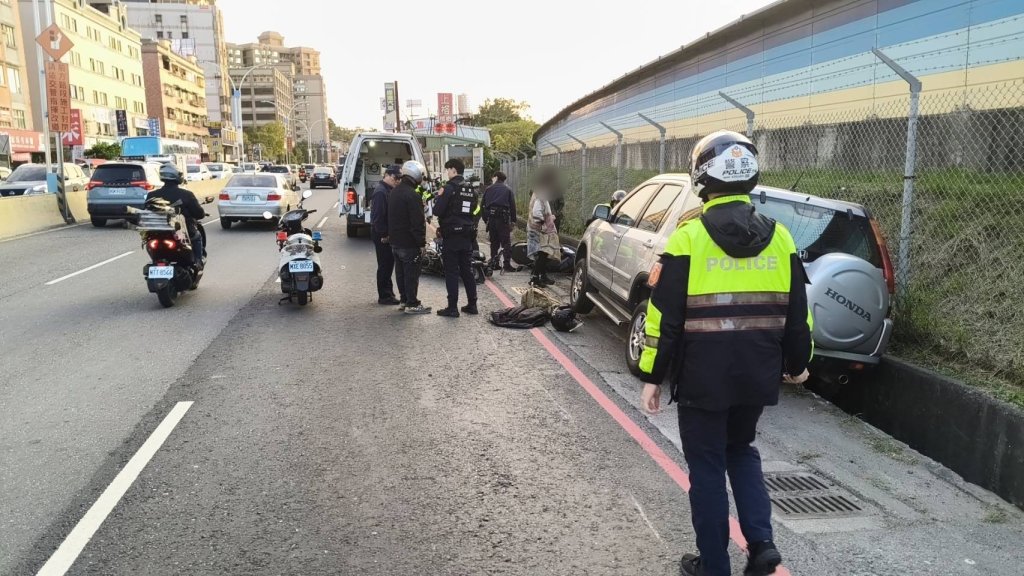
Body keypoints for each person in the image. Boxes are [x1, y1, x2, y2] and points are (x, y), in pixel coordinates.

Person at [636, 130, 813, 576]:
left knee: (709, 467)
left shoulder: (687, 238)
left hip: (702, 377)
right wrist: (797, 363)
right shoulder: (782, 238)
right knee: (742, 451)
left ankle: (713, 565)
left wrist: (652, 376)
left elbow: (663, 320)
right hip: (757, 375)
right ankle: (762, 546)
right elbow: (798, 315)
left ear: (701, 177)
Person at [432, 158, 478, 317]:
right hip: (467, 234)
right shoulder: (471, 189)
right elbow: (475, 210)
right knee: (467, 270)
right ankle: (472, 304)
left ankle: (452, 308)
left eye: (447, 170)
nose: (447, 173)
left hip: (451, 234)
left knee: (451, 271)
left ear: (453, 170)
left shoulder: (448, 188)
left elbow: (437, 211)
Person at [387, 160, 431, 315]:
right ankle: (412, 303)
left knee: (400, 273)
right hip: (409, 242)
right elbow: (417, 223)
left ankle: (404, 300)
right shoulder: (412, 195)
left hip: (396, 241)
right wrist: (421, 243)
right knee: (411, 273)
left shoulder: (394, 192)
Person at [148, 163, 206, 268]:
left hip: (156, 232)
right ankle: (198, 261)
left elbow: (145, 211)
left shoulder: (151, 195)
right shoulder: (186, 194)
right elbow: (199, 214)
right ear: (177, 176)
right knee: (197, 237)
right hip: (182, 233)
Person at [371, 165, 403, 305]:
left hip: (386, 233)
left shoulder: (388, 189)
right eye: (396, 178)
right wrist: (384, 234)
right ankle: (384, 296)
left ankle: (389, 293)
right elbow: (378, 217)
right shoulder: (381, 192)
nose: (398, 181)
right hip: (381, 234)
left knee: (388, 264)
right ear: (388, 175)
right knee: (384, 265)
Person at [527, 166, 562, 287]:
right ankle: (535, 277)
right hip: (540, 229)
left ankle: (541, 276)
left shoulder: (538, 191)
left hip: (535, 228)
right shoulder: (541, 193)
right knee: (543, 254)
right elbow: (537, 212)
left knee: (543, 254)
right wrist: (544, 222)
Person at [482, 171, 516, 271]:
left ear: (496, 177)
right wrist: (513, 221)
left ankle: (494, 262)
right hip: (503, 219)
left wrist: (485, 219)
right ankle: (507, 264)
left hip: (491, 218)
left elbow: (482, 205)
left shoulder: (488, 189)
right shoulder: (508, 190)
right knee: (506, 242)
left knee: (494, 242)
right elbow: (512, 206)